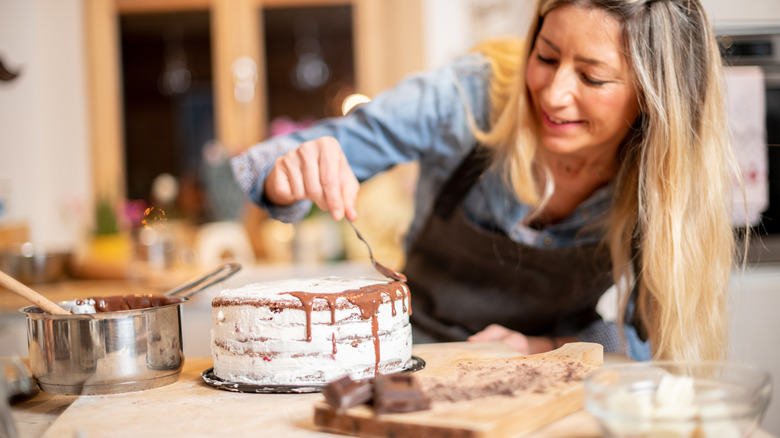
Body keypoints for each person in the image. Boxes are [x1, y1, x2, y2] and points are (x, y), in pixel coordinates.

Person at [231, 0, 742, 362]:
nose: (553, 93)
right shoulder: (468, 97)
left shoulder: (664, 178)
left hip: (557, 380)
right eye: (545, 57)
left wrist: (543, 349)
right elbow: (265, 165)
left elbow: (648, 339)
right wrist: (291, 172)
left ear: (653, 99)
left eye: (592, 77)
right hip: (420, 356)